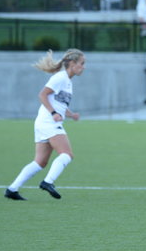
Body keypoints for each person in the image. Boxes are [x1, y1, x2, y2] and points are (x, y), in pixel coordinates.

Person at [5, 49, 86, 201]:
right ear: (72, 63)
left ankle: (12, 189)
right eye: (82, 63)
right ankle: (48, 182)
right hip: (49, 122)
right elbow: (42, 95)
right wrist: (53, 113)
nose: (84, 67)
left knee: (40, 162)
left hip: (43, 122)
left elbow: (59, 103)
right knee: (67, 154)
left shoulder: (67, 81)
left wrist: (71, 114)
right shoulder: (60, 77)